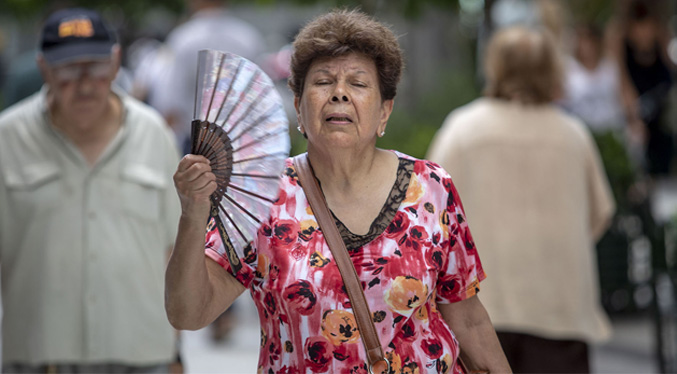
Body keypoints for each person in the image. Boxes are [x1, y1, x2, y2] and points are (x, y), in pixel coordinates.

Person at [166, 8, 512, 374]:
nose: (339, 94)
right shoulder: (263, 195)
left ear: (384, 112)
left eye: (358, 83)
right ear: (298, 108)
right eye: (323, 82)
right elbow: (188, 312)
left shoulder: (431, 187)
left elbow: (468, 317)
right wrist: (192, 213)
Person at [0, 8, 181, 373]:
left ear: (115, 64)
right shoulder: (8, 138)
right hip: (38, 356)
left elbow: (174, 249)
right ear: (44, 68)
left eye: (95, 67)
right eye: (68, 69)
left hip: (142, 355)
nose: (84, 83)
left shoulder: (154, 134)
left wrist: (178, 350)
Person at [427, 26, 615, 373]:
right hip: (560, 309)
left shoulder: (463, 129)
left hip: (482, 312)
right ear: (551, 69)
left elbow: (430, 214)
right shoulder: (573, 135)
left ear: (495, 67)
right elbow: (600, 213)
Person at [154, 0, 267, 156]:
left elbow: (170, 103)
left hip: (197, 144)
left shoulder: (183, 38)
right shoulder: (248, 38)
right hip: (242, 143)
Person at [608, 0, 676, 177]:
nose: (644, 35)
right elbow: (622, 83)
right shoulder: (620, 40)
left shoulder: (662, 36)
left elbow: (671, 72)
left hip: (663, 110)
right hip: (639, 110)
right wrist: (633, 117)